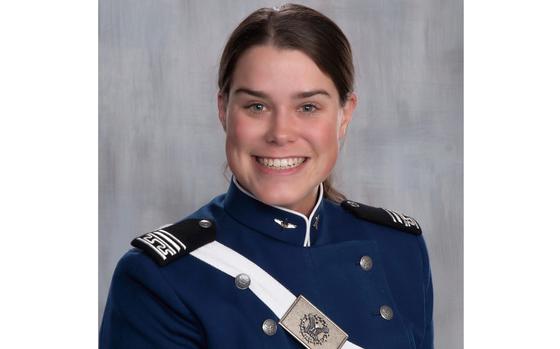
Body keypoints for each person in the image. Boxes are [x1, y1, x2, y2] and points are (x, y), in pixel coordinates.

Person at [100, 3, 433, 349]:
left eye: (308, 107)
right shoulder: (161, 278)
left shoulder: (399, 249)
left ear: (345, 115)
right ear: (223, 110)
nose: (280, 133)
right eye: (256, 106)